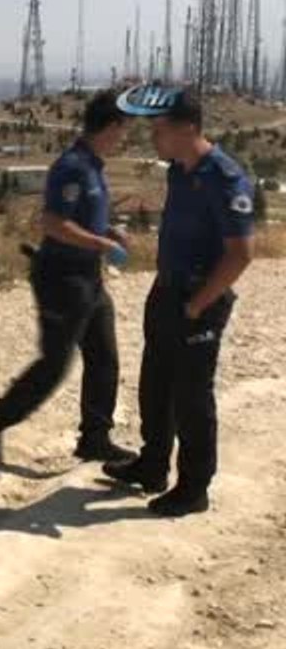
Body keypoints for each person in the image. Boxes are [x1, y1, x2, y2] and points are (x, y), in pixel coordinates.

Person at [104, 87, 255, 517]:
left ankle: (194, 487)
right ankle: (153, 465)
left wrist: (197, 304)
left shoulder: (224, 177)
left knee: (191, 395)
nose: (154, 136)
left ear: (188, 127)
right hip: (167, 290)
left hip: (199, 299)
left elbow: (240, 253)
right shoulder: (178, 170)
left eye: (160, 128)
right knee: (156, 384)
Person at [0, 90, 133, 465]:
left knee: (104, 358)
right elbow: (53, 223)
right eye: (122, 131)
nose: (123, 139)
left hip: (88, 277)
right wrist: (102, 245)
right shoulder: (73, 166)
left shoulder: (93, 166)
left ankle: (94, 438)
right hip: (62, 278)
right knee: (53, 366)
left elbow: (80, 218)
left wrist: (107, 232)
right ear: (110, 127)